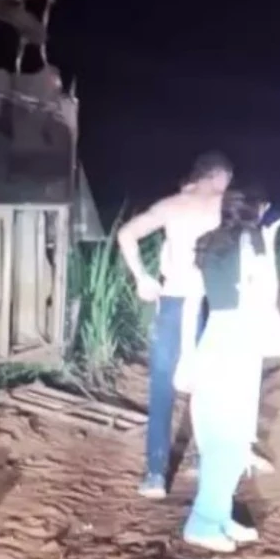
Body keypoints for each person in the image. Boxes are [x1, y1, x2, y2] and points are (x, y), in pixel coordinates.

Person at [177, 190, 280, 552]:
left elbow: (191, 303)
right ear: (256, 209)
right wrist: (269, 239)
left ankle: (220, 514)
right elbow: (265, 293)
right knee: (231, 438)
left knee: (218, 433)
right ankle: (203, 521)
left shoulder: (206, 242)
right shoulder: (252, 240)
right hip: (241, 339)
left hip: (214, 336)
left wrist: (186, 356)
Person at [117, 152, 232, 499]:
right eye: (224, 182)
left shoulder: (171, 205)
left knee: (163, 385)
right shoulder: (223, 206)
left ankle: (155, 473)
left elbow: (126, 234)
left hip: (173, 300)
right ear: (215, 177)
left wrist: (142, 277)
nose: (225, 189)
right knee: (210, 383)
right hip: (212, 302)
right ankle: (201, 456)